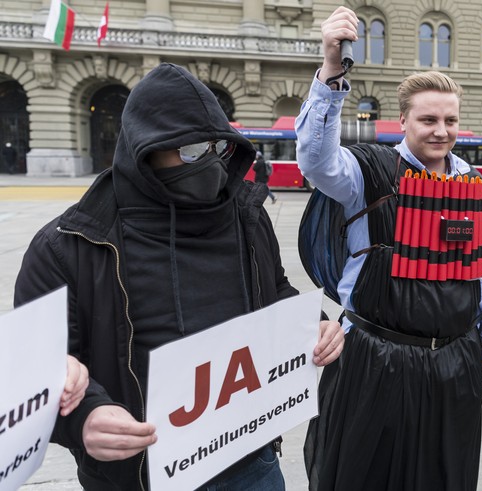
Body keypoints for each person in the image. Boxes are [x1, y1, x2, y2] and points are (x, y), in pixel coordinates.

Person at [13, 63, 344, 490]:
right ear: (144, 151)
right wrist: (84, 418)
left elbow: (275, 289)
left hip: (250, 461)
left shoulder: (247, 216)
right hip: (137, 475)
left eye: (216, 148)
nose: (207, 162)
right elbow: (36, 370)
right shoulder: (68, 245)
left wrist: (310, 323)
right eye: (190, 152)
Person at [298, 7, 482, 490]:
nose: (441, 131)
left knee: (442, 477)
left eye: (450, 120)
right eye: (428, 119)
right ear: (404, 119)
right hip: (374, 359)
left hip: (454, 361)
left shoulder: (475, 185)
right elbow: (314, 160)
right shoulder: (366, 172)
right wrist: (331, 72)